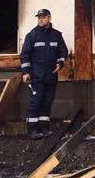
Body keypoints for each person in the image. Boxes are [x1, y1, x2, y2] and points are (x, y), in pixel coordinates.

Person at [19, 8, 68, 139]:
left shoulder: (57, 35)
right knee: (36, 102)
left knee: (47, 102)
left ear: (49, 18)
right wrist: (26, 72)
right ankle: (32, 130)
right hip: (37, 75)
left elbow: (63, 52)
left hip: (51, 75)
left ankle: (44, 128)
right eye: (39, 17)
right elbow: (24, 55)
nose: (41, 19)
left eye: (43, 17)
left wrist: (60, 62)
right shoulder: (32, 35)